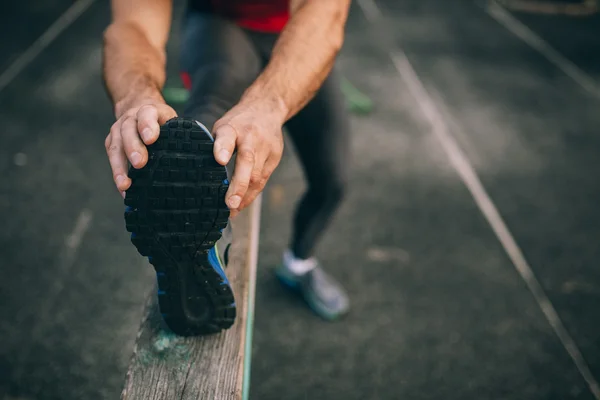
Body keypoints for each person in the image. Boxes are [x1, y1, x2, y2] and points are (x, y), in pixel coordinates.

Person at [102, 0, 352, 336]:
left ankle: (298, 264)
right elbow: (133, 24)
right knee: (209, 131)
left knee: (333, 179)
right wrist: (135, 97)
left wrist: (268, 106)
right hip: (220, 25)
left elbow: (325, 14)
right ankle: (200, 238)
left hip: (299, 30)